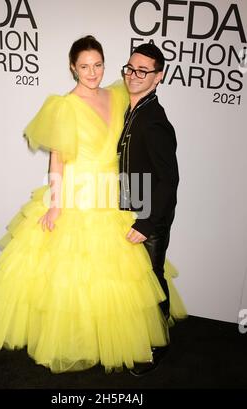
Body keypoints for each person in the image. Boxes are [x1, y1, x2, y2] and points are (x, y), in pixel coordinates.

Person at [0, 36, 186, 374]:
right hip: (76, 195)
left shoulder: (119, 95)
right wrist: (56, 204)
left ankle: (116, 339)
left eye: (99, 64)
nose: (93, 72)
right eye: (85, 66)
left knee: (113, 278)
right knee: (70, 276)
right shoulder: (63, 105)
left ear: (106, 64)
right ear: (73, 67)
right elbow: (57, 161)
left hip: (112, 198)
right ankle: (77, 340)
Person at [117, 43, 187, 375]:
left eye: (143, 71)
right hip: (134, 208)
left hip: (151, 216)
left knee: (152, 280)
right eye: (131, 68)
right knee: (137, 281)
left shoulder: (154, 120)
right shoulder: (132, 108)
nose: (133, 75)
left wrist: (145, 223)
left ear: (158, 76)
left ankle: (158, 346)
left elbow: (169, 181)